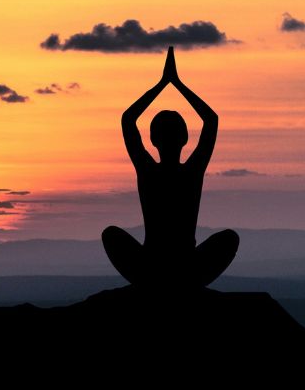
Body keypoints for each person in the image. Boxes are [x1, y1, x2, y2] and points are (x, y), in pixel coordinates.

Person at [102, 46, 239, 290]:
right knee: (229, 238)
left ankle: (159, 283)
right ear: (185, 138)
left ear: (153, 140)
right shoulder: (192, 171)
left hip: (153, 266)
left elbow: (128, 119)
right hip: (184, 267)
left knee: (111, 234)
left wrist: (164, 83)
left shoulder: (148, 170)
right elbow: (211, 120)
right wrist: (175, 83)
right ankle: (178, 284)